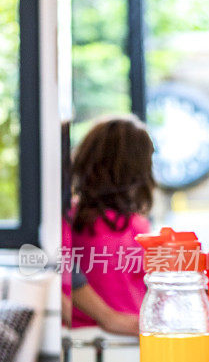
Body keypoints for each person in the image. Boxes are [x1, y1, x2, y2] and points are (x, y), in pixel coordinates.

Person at [62, 114, 155, 331]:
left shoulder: (70, 218)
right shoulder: (136, 227)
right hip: (128, 336)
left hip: (83, 337)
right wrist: (110, 318)